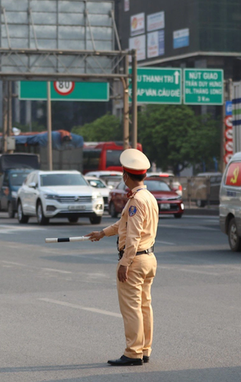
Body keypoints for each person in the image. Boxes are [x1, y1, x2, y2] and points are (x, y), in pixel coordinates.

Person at [85, 149, 159, 367]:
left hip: (135, 260)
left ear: (126, 176)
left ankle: (133, 352)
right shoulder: (148, 197)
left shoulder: (136, 201)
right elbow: (123, 225)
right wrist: (102, 233)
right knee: (144, 306)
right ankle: (144, 349)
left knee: (132, 308)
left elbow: (133, 235)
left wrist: (124, 263)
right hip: (149, 258)